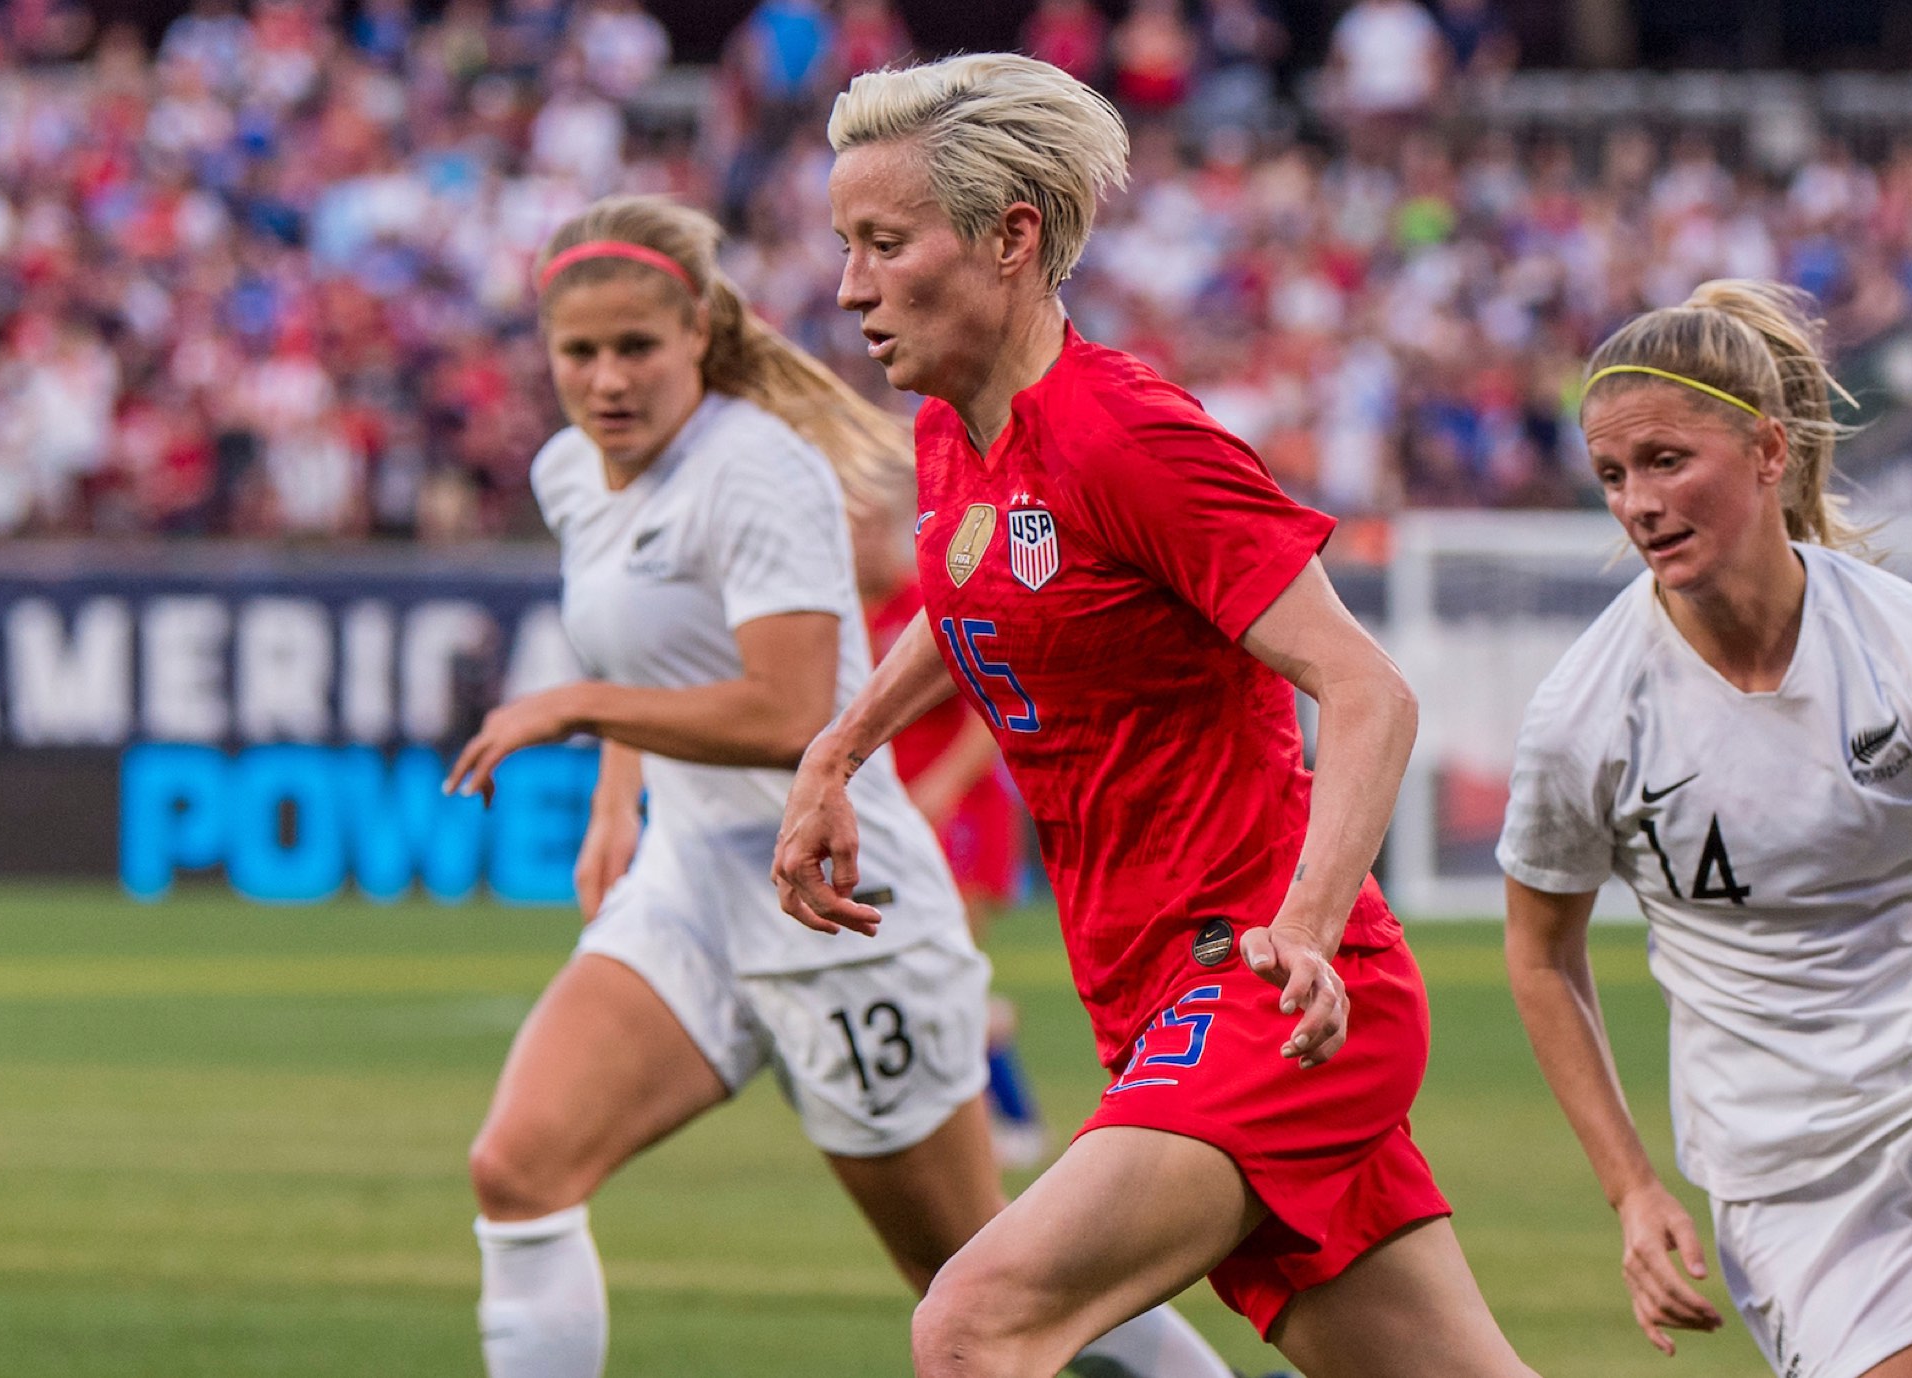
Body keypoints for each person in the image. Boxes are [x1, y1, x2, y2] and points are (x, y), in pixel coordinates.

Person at [777, 53, 1537, 1378]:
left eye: (884, 244)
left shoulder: (1130, 438)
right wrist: (839, 744)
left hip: (1271, 990)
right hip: (1142, 991)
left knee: (973, 1321)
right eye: (846, 245)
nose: (849, 287)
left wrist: (1300, 924)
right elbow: (972, 602)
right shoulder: (959, 431)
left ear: (1010, 239)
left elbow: (1369, 689)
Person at [448, 193, 1229, 1378]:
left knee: (974, 1269)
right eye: (580, 353)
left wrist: (575, 707)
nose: (607, 380)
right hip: (688, 887)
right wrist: (617, 796)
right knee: (518, 1167)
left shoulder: (755, 471)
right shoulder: (572, 473)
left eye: (636, 349)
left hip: (837, 901)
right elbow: (637, 648)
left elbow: (786, 711)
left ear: (700, 336)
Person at [1499, 280, 1912, 1378]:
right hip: (1785, 1167)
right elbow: (1539, 956)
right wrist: (1631, 1187)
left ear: (1766, 450)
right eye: (1613, 474)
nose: (1638, 502)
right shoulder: (1585, 714)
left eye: (1667, 460)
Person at [854, 501, 1050, 1168]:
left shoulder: (925, 601)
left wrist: (941, 786)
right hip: (898, 817)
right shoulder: (844, 615)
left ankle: (1009, 1118)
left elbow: (985, 709)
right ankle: (988, 1109)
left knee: (940, 965)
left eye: (865, 528)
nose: (855, 546)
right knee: (922, 970)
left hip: (962, 812)